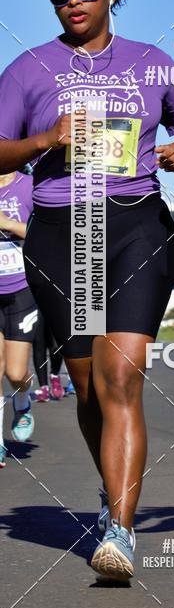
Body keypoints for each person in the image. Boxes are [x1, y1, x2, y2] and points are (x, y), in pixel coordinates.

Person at [0, 0, 174, 579]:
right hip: (65, 229)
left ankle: (120, 528)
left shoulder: (149, 63)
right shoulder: (29, 68)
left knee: (122, 375)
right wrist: (43, 140)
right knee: (90, 387)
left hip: (134, 224)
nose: (72, 3)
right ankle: (111, 490)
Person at [0, 169, 38, 467]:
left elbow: (46, 233)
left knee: (15, 373)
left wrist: (7, 224)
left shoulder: (29, 186)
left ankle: (23, 400)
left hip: (22, 289)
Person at [32, 313, 65, 402]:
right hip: (35, 303)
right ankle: (43, 387)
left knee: (56, 345)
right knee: (38, 342)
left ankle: (55, 375)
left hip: (54, 303)